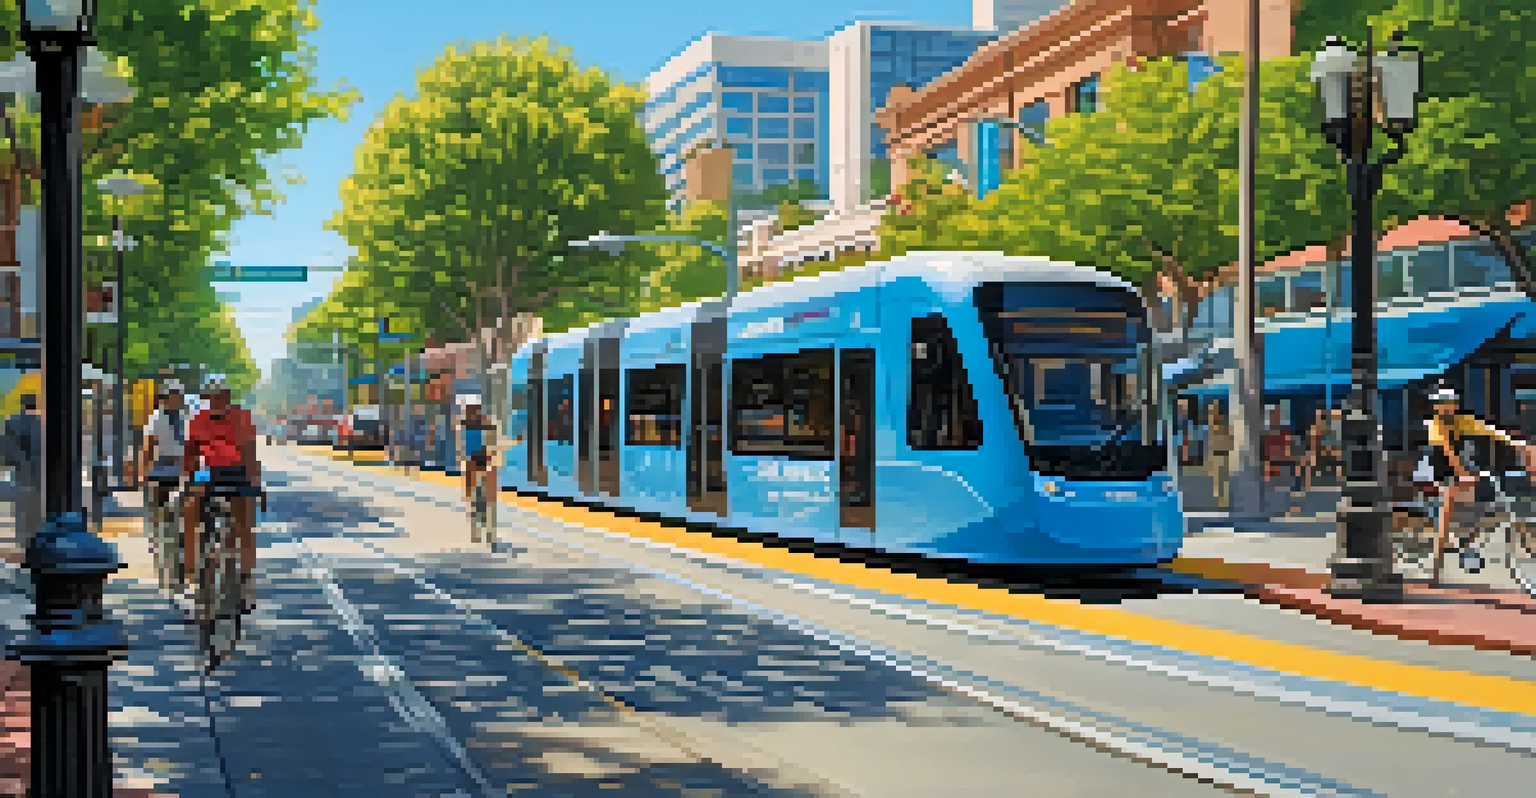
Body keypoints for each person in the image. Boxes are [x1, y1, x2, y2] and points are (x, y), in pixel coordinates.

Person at [1425, 385, 1536, 584]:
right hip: (1443, 470)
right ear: (1437, 408)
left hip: (1463, 467)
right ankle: (1435, 571)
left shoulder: (1462, 420)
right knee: (1445, 519)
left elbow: (1490, 430)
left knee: (1482, 511)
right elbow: (1448, 451)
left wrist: (1516, 443)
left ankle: (1464, 542)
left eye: (1449, 405)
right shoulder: (1435, 425)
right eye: (1442, 405)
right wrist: (1462, 473)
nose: (1446, 409)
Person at [182, 378, 261, 612]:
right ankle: (190, 575)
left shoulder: (242, 417)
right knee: (189, 509)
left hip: (236, 470)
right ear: (207, 398)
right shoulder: (197, 420)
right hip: (208, 473)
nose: (217, 401)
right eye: (212, 396)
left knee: (245, 521)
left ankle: (246, 581)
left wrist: (253, 481)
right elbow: (191, 454)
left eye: (221, 396)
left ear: (228, 396)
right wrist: (188, 480)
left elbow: (249, 451)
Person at [139, 381, 188, 588]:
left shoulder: (184, 418)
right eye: (173, 396)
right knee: (161, 514)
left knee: (179, 516)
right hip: (163, 471)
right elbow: (149, 446)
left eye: (178, 396)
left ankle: (172, 557)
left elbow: (149, 447)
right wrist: (145, 472)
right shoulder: (158, 418)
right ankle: (160, 548)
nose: (176, 400)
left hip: (177, 471)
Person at [2, 394, 42, 554]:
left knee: (21, 505)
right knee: (37, 506)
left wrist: (21, 463)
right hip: (41, 471)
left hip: (20, 472)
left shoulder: (12, 422)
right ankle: (35, 538)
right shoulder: (43, 423)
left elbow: (8, 449)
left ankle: (22, 540)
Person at [460, 399, 498, 539]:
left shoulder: (484, 424)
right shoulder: (465, 425)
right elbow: (462, 447)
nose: (474, 413)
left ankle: (488, 529)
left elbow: (492, 441)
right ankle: (476, 527)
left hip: (482, 458)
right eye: (471, 410)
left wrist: (491, 454)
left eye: (476, 409)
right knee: (472, 495)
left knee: (488, 494)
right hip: (472, 460)